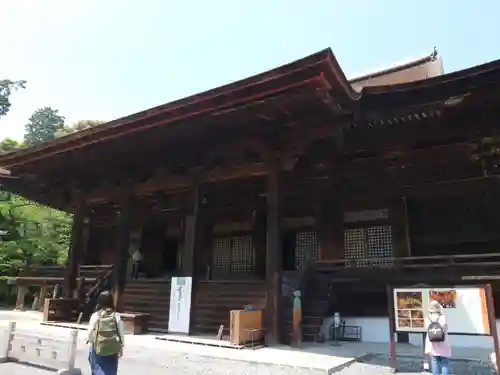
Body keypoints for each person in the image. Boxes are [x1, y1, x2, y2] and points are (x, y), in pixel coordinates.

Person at [87, 291, 125, 375]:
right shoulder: (116, 317)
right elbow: (121, 334)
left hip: (97, 348)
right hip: (112, 350)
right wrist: (121, 347)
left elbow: (89, 333)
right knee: (110, 371)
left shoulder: (95, 316)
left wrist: (90, 344)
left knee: (96, 370)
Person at [425, 300, 451, 375]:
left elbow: (427, 329)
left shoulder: (428, 318)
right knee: (444, 362)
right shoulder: (443, 317)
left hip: (432, 341)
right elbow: (445, 329)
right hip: (443, 341)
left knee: (434, 360)